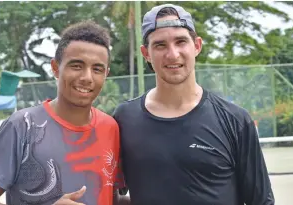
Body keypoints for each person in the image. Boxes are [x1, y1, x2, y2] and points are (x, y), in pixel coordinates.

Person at [113, 4, 275, 205]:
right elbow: (110, 193)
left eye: (180, 41)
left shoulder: (235, 120)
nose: (172, 54)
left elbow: (261, 201)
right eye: (160, 45)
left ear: (197, 46)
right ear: (145, 53)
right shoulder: (124, 119)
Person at [0, 21, 123, 205]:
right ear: (55, 68)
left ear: (106, 73)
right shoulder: (22, 126)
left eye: (97, 69)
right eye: (76, 66)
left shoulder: (111, 128)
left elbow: (112, 196)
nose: (86, 78)